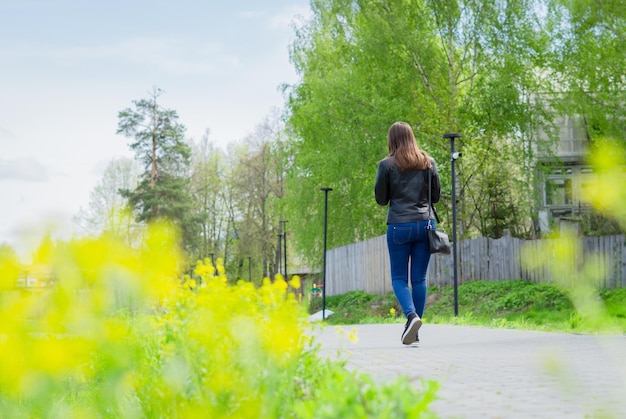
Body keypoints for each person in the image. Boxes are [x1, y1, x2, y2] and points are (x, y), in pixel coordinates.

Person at [374, 122, 440, 345]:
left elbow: (382, 200)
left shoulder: (386, 165)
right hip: (425, 224)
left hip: (399, 226)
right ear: (412, 137)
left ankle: (411, 317)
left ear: (391, 140)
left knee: (399, 279)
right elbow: (436, 197)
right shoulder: (428, 163)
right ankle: (415, 330)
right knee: (419, 278)